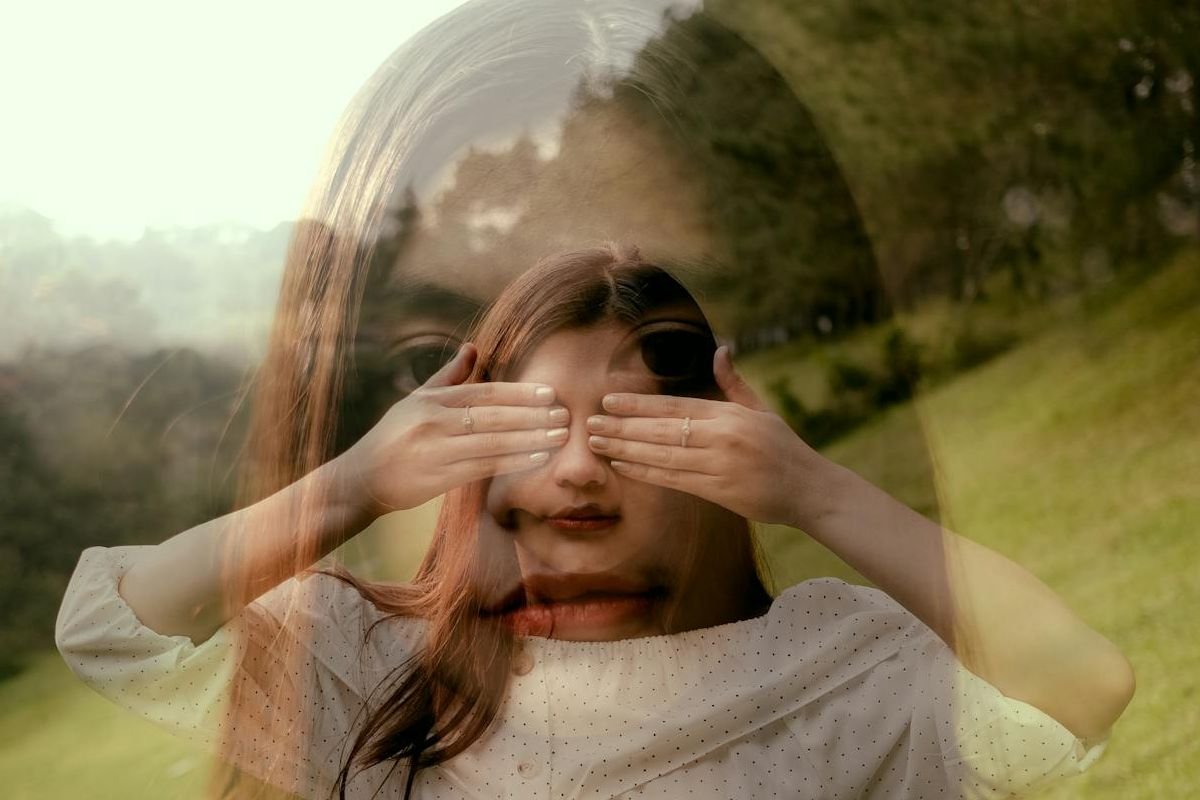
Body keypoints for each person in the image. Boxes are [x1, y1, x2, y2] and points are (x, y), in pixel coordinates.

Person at [54, 2, 1133, 799]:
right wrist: (353, 483)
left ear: (720, 462)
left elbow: (1080, 684)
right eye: (514, 434)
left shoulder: (831, 668)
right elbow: (114, 626)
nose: (572, 476)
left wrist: (815, 489)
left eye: (638, 436)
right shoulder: (366, 662)